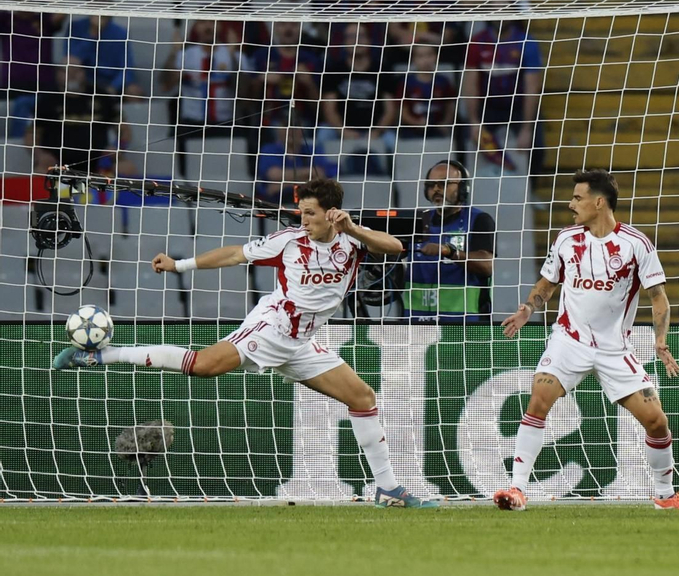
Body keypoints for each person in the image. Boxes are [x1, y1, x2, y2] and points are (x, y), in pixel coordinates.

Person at [53, 175, 435, 507]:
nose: (303, 220)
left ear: (332, 214)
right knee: (203, 365)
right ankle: (101, 356)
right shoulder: (289, 241)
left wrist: (352, 228)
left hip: (302, 342)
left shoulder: (353, 241)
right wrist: (179, 265)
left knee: (363, 398)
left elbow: (395, 247)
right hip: (272, 327)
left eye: (310, 213)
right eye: (301, 212)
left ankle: (388, 489)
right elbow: (235, 254)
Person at [494, 170, 679, 512]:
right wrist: (527, 310)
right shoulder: (566, 240)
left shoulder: (636, 244)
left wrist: (660, 340)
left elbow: (658, 297)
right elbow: (547, 284)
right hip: (569, 339)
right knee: (538, 400)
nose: (570, 204)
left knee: (657, 421)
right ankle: (517, 489)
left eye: (577, 198)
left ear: (599, 202)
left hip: (614, 349)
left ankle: (666, 496)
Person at [403, 159, 495, 321]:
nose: (436, 189)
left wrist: (448, 251)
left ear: (463, 188)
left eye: (444, 183)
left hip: (465, 324)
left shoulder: (479, 219)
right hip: (416, 321)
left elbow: (486, 265)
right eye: (431, 185)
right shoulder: (417, 220)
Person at [460, 17, 542, 170]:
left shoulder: (526, 42)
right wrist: (474, 121)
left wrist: (527, 129)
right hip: (488, 107)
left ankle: (530, 183)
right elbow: (470, 84)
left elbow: (532, 87)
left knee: (537, 147)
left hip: (518, 108)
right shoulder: (477, 42)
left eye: (505, 8)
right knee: (466, 140)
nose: (501, 14)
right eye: (496, 7)